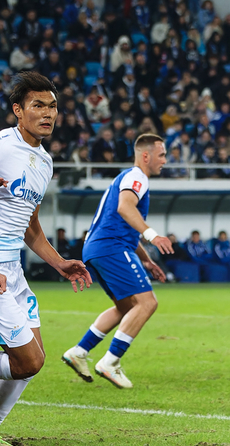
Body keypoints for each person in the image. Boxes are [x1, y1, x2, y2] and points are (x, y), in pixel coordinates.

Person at [0, 72, 91, 446]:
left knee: (32, 359)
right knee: (27, 361)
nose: (48, 113)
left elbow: (31, 227)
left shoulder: (44, 161)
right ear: (18, 111)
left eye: (53, 106)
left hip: (13, 270)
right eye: (38, 105)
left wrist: (60, 263)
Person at [63, 134, 172, 389]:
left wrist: (146, 260)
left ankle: (79, 352)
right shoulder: (137, 177)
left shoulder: (126, 177)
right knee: (147, 303)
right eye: (162, 155)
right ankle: (110, 361)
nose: (165, 161)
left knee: (126, 306)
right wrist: (153, 235)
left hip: (98, 248)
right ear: (146, 156)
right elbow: (125, 208)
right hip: (111, 247)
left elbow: (124, 225)